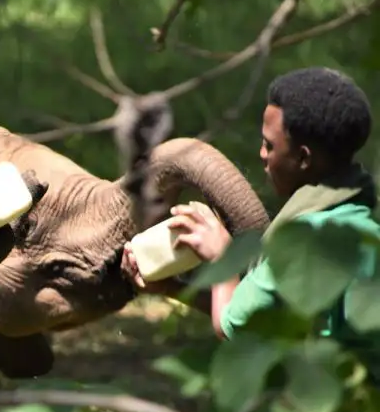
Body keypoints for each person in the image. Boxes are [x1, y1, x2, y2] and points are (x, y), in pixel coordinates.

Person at [124, 66, 380, 345]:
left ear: (303, 158)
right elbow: (258, 311)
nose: (262, 154)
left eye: (270, 145)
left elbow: (234, 329)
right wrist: (170, 287)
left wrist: (222, 257)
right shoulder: (361, 221)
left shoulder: (307, 239)